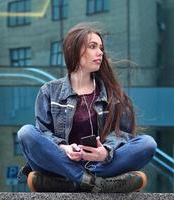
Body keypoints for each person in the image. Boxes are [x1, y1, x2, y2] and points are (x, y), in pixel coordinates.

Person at [17, 22, 157, 193]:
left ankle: (75, 181)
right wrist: (64, 148)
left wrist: (105, 152)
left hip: (101, 164)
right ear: (74, 51)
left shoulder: (112, 94)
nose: (100, 52)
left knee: (147, 143)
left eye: (101, 47)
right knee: (26, 133)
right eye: (93, 46)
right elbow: (43, 133)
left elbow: (124, 134)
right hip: (62, 163)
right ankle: (96, 182)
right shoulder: (49, 91)